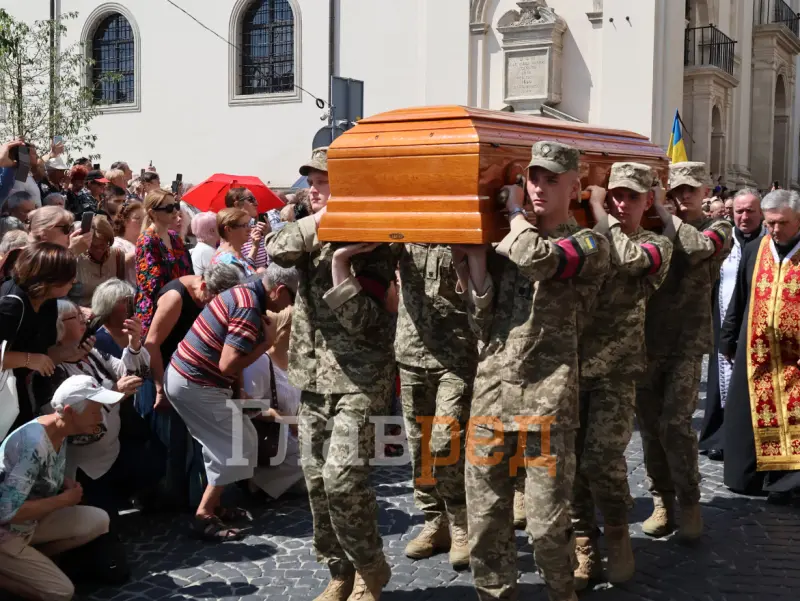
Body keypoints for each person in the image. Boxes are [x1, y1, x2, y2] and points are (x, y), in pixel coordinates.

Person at [454, 141, 609, 601]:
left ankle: (561, 593)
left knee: (546, 525)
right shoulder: (508, 243)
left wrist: (513, 212)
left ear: (574, 187)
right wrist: (474, 264)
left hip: (548, 402)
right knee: (485, 519)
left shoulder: (589, 244)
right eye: (532, 178)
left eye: (550, 180)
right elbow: (482, 323)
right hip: (492, 395)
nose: (538, 188)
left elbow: (542, 260)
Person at [267, 146, 397, 601]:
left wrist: (341, 264)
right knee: (318, 483)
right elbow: (276, 249)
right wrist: (320, 222)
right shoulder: (312, 232)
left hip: (360, 379)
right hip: (313, 377)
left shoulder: (375, 244)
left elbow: (365, 322)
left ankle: (370, 569)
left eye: (324, 182)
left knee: (343, 479)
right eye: (312, 182)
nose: (313, 190)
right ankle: (339, 570)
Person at [573, 164, 673, 588]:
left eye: (632, 197)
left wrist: (598, 210)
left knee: (602, 461)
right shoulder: (588, 235)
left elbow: (627, 259)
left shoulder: (656, 245)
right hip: (573, 367)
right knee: (570, 464)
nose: (621, 204)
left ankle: (617, 534)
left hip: (616, 371)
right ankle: (583, 543)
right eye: (615, 195)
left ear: (647, 201)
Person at [637, 161, 733, 540]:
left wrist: (665, 215)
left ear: (705, 191)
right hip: (647, 341)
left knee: (675, 426)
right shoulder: (654, 228)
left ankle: (689, 502)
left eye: (690, 190)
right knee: (649, 428)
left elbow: (697, 249)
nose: (683, 197)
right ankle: (662, 500)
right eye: (676, 191)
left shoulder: (717, 228)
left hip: (687, 343)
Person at [164, 274, 281, 541]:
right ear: (280, 290)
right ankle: (204, 514)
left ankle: (214, 506)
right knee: (237, 443)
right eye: (292, 296)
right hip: (195, 383)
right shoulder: (248, 305)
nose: (290, 304)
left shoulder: (245, 294)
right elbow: (228, 364)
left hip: (191, 379)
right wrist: (266, 344)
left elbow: (231, 355)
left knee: (230, 442)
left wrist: (237, 393)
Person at [394, 239, 476, 569]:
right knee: (420, 445)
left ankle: (461, 520)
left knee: (445, 441)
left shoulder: (461, 228)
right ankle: (434, 520)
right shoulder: (404, 233)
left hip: (457, 355)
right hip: (411, 352)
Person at [34, 300, 155, 519]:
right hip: (85, 469)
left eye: (82, 315)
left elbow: (134, 374)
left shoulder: (91, 353)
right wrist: (115, 393)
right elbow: (72, 428)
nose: (85, 319)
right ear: (57, 325)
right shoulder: (49, 371)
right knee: (103, 522)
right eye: (76, 317)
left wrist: (134, 343)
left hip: (113, 452)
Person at [0, 375, 114, 601]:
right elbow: (6, 512)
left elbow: (38, 473)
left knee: (99, 520)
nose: (100, 417)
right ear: (70, 412)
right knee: (62, 592)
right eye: (94, 411)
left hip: (31, 523)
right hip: (7, 532)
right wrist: (64, 500)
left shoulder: (59, 431)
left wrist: (62, 483)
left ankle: (29, 563)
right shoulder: (33, 443)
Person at [720, 189, 800, 502]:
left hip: (794, 357)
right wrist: (728, 336)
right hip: (754, 351)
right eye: (770, 223)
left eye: (783, 223)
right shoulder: (756, 249)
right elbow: (739, 296)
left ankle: (787, 483)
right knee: (748, 415)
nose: (775, 230)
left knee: (792, 419)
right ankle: (749, 477)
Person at [142, 263, 243, 509]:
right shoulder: (176, 298)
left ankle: (197, 501)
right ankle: (171, 504)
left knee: (200, 443)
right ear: (205, 286)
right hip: (166, 376)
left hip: (193, 378)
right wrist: (159, 388)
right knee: (174, 446)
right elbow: (151, 344)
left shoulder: (207, 295)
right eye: (215, 299)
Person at [700, 189, 765, 461]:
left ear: (761, 213)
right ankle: (718, 437)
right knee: (719, 380)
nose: (744, 216)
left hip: (755, 321)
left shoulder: (768, 242)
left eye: (750, 211)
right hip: (722, 316)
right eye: (739, 211)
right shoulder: (723, 240)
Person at [0, 244, 79, 432]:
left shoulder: (48, 300)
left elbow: (44, 352)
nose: (74, 281)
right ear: (50, 279)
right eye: (68, 277)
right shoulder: (11, 304)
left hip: (23, 390)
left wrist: (72, 350)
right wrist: (28, 359)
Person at [243, 306, 306, 500]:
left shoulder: (295, 358)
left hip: (294, 436)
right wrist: (285, 418)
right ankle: (260, 481)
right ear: (282, 329)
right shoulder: (260, 363)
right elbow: (247, 407)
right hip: (272, 441)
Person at [134, 189, 193, 338]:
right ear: (153, 213)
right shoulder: (147, 241)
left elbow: (188, 270)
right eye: (168, 208)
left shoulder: (174, 237)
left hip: (180, 310)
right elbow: (152, 284)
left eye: (175, 206)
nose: (175, 211)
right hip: (157, 314)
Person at [70, 216, 126, 307]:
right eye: (93, 246)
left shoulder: (117, 255)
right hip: (81, 311)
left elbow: (122, 289)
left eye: (103, 245)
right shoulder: (76, 258)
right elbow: (62, 297)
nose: (99, 250)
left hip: (108, 311)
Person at [225, 187, 269, 269]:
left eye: (255, 199)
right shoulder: (230, 234)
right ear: (237, 205)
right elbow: (242, 270)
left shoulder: (258, 229)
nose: (256, 203)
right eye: (251, 199)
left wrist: (268, 236)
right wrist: (254, 247)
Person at [211, 208, 258, 277]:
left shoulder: (234, 251)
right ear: (228, 230)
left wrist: (255, 246)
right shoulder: (227, 261)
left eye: (248, 224)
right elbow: (246, 281)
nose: (249, 229)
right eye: (244, 225)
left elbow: (246, 265)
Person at [111, 200, 145, 286]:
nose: (142, 222)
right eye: (137, 218)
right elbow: (116, 263)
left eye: (144, 218)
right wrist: (143, 249)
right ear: (125, 221)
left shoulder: (144, 241)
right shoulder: (117, 243)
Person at [189, 212, 220, 277]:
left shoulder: (203, 248)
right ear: (212, 230)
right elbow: (221, 276)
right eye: (219, 226)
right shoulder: (206, 251)